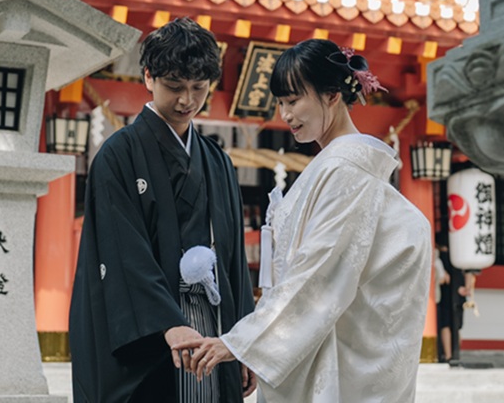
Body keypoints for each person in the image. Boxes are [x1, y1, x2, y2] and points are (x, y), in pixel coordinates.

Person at [174, 39, 432, 402]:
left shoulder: (345, 171)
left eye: (293, 100)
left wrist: (241, 342)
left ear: (331, 96)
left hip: (331, 357)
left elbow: (319, 273)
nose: (285, 114)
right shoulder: (338, 167)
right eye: (281, 102)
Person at [69, 17, 257, 403]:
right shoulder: (118, 155)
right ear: (148, 77)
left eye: (198, 88)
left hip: (212, 330)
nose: (187, 100)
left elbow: (233, 263)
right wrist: (169, 324)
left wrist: (243, 341)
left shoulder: (217, 161)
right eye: (174, 87)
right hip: (152, 334)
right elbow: (123, 254)